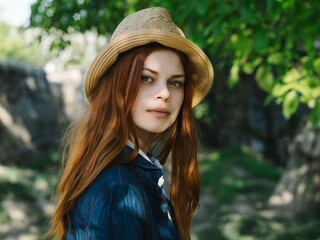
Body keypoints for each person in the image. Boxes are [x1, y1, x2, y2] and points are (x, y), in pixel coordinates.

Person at [46, 7, 213, 240]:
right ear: (117, 88)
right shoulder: (121, 189)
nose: (164, 93)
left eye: (175, 83)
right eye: (146, 78)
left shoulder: (138, 173)